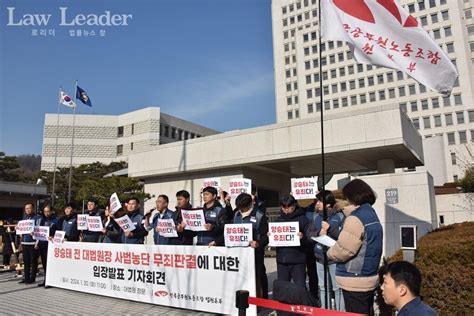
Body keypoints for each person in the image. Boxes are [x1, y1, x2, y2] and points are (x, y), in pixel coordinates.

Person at [326, 179, 383, 315]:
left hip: (355, 278)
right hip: (368, 275)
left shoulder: (355, 218)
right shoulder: (371, 214)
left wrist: (329, 252)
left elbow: (344, 250)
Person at [309, 190, 345, 310]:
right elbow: (310, 234)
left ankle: (340, 312)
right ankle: (325, 311)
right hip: (320, 258)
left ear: (328, 203)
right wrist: (319, 233)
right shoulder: (316, 217)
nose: (317, 203)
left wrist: (330, 229)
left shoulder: (339, 216)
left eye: (320, 201)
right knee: (323, 287)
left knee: (337, 288)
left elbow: (343, 237)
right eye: (317, 201)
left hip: (334, 259)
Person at [233, 193, 269, 298]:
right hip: (240, 252)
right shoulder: (236, 214)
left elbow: (266, 236)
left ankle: (262, 299)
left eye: (243, 207)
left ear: (250, 204)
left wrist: (258, 243)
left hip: (255, 253)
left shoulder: (259, 216)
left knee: (258, 276)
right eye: (239, 207)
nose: (241, 210)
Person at [275, 195, 311, 289]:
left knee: (300, 288)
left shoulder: (303, 220)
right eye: (283, 207)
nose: (286, 210)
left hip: (297, 260)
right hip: (282, 260)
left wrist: (302, 238)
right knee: (283, 288)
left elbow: (310, 239)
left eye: (288, 207)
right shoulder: (278, 220)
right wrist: (271, 236)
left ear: (294, 206)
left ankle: (300, 304)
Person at [18, 202, 41, 284]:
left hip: (33, 243)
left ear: (33, 208)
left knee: (33, 261)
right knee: (26, 261)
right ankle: (26, 277)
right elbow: (21, 229)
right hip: (24, 242)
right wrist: (19, 229)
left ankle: (32, 278)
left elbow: (40, 230)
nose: (27, 210)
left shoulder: (37, 218)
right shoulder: (24, 218)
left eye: (29, 208)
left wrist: (37, 242)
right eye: (26, 208)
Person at [36, 205, 57, 287]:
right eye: (45, 211)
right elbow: (39, 231)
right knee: (44, 263)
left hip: (51, 245)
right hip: (42, 244)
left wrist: (54, 237)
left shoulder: (56, 220)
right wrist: (36, 240)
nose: (46, 213)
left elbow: (59, 232)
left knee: (50, 263)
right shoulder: (41, 220)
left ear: (51, 211)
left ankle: (50, 281)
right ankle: (45, 280)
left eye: (48, 211)